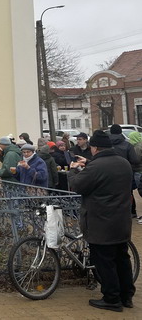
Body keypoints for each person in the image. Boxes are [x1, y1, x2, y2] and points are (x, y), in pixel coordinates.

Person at [68, 130, 135, 312]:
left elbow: (77, 185)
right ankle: (126, 296)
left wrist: (73, 170)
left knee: (105, 262)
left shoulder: (96, 167)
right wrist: (89, 163)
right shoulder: (123, 163)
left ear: (95, 147)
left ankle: (112, 299)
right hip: (121, 221)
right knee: (122, 259)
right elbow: (107, 175)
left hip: (101, 223)